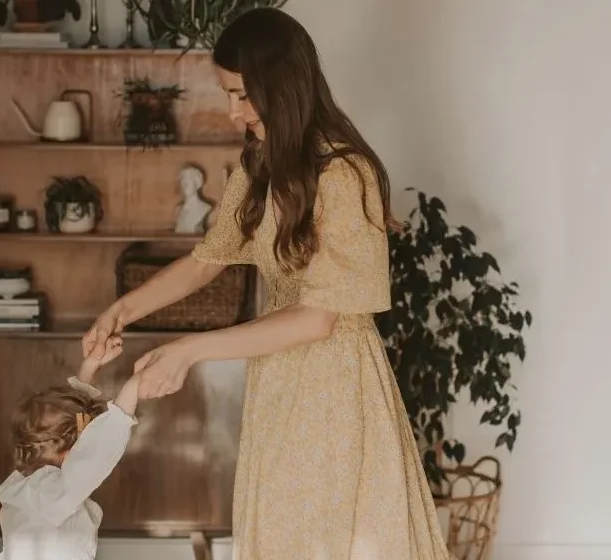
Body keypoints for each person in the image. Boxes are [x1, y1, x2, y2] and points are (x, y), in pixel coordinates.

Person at [83, 7, 454, 559]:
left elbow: (317, 317)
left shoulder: (344, 176)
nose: (233, 113)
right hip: (279, 381)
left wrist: (190, 349)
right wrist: (121, 311)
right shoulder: (262, 165)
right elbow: (208, 260)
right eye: (227, 94)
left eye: (241, 95)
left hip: (335, 390)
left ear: (282, 86)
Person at [0, 336, 138, 560]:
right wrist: (136, 385)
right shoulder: (59, 489)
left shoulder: (29, 487)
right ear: (75, 449)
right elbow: (101, 446)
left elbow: (78, 419)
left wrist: (90, 367)